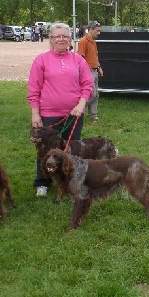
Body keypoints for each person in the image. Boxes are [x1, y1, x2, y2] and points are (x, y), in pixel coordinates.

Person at [27, 22, 94, 197]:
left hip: (74, 114)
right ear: (51, 40)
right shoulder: (41, 60)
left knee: (71, 150)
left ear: (70, 40)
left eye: (65, 36)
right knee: (46, 151)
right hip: (48, 116)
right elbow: (33, 89)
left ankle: (68, 180)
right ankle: (43, 182)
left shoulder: (78, 60)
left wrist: (81, 105)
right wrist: (35, 114)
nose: (61, 39)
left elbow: (88, 85)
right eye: (57, 36)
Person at [76, 20, 103, 121]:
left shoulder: (93, 42)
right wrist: (85, 72)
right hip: (88, 71)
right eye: (97, 31)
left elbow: (95, 56)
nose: (99, 33)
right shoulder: (83, 41)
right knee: (91, 93)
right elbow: (80, 58)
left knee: (96, 94)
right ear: (91, 29)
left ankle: (93, 115)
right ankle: (78, 108)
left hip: (94, 70)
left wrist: (99, 67)